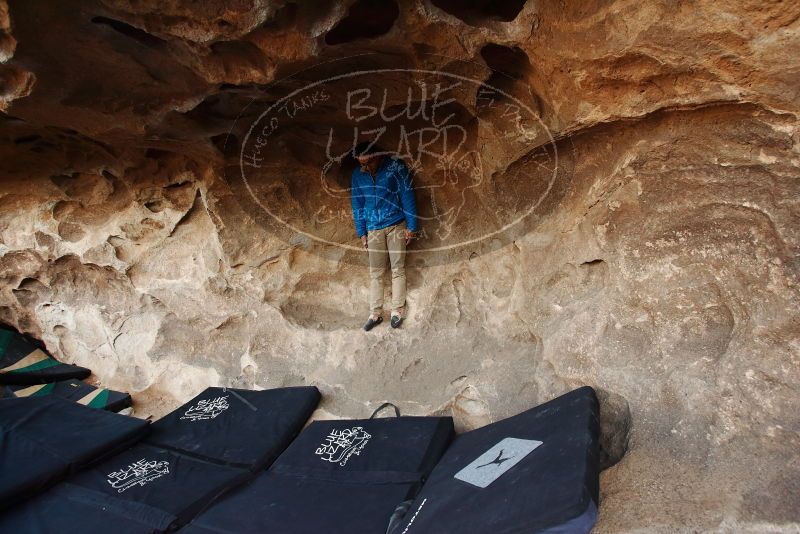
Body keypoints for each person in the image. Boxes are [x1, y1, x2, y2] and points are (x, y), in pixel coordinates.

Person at [350, 142, 418, 331]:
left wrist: (412, 225)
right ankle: (375, 313)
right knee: (376, 273)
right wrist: (361, 232)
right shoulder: (357, 175)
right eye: (360, 163)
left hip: (396, 224)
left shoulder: (395, 166)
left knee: (398, 268)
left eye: (367, 162)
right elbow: (357, 204)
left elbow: (407, 194)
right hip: (373, 229)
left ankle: (397, 310)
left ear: (377, 156)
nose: (364, 167)